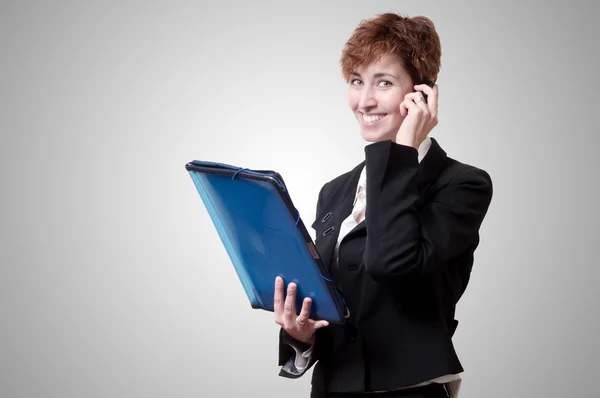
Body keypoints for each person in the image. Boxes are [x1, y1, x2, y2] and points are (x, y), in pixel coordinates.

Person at [273, 12, 493, 398]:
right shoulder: (336, 191)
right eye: (357, 81)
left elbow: (390, 264)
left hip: (411, 390)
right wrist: (300, 333)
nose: (365, 100)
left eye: (384, 82)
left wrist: (403, 151)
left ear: (421, 93)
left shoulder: (462, 185)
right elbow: (334, 302)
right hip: (332, 389)